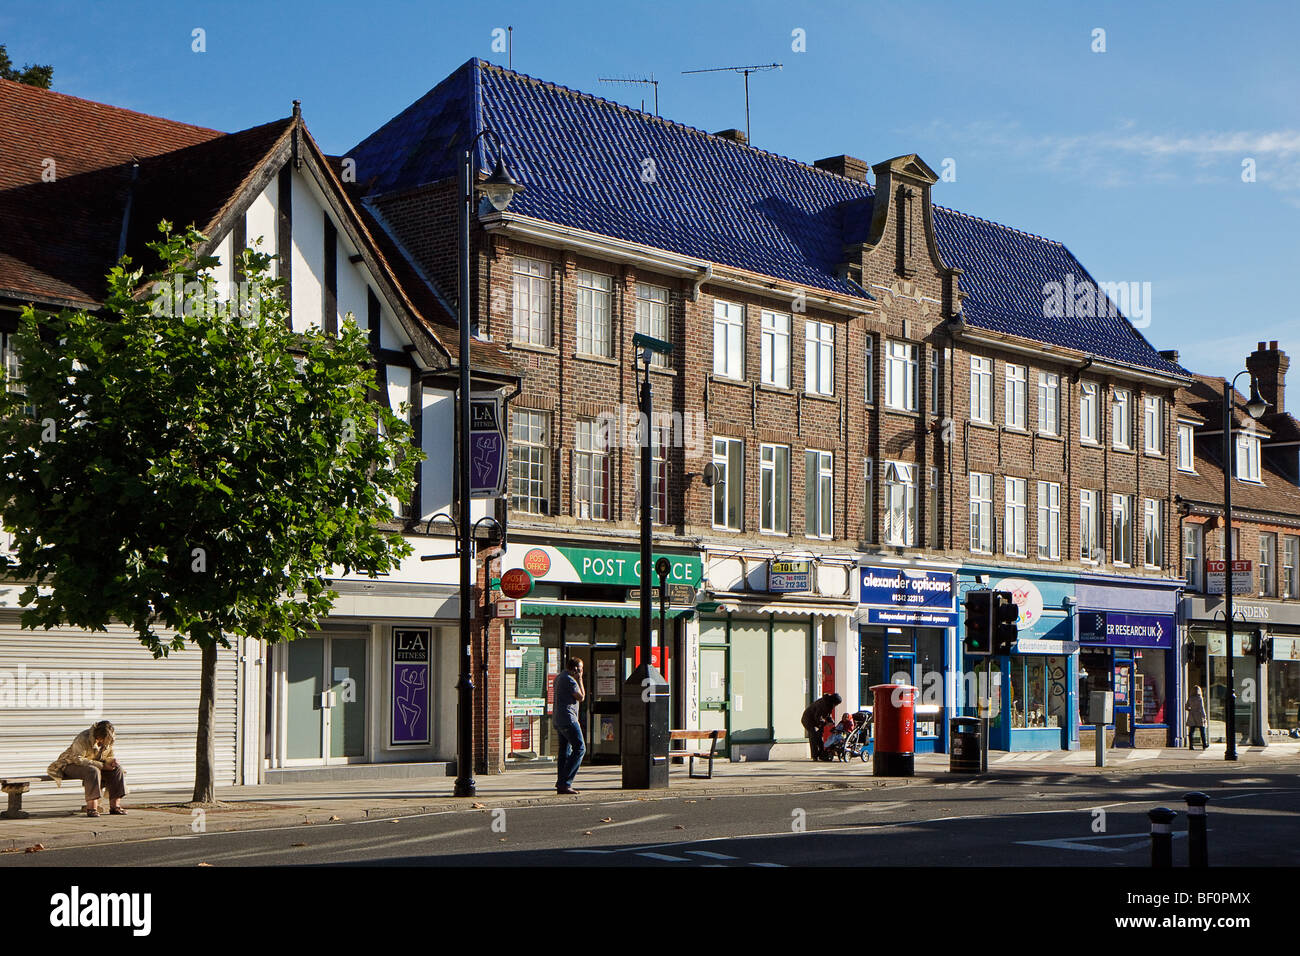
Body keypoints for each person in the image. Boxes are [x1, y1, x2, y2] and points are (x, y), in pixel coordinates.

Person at [48, 720, 127, 817]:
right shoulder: (83, 738)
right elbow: (78, 759)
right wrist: (102, 766)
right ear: (99, 737)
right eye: (103, 740)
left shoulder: (109, 739)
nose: (106, 743)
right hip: (69, 764)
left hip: (93, 764)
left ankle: (115, 806)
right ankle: (92, 808)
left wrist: (111, 762)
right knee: (93, 771)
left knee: (117, 769)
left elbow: (109, 755)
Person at [553, 658, 586, 794]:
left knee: (564, 752)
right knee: (580, 748)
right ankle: (565, 782)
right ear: (576, 669)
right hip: (568, 719)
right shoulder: (571, 680)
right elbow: (581, 697)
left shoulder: (559, 677)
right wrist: (580, 679)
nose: (582, 671)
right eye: (581, 668)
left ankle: (561, 783)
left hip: (558, 719)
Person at [801, 692, 842, 761]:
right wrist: (825, 723)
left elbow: (827, 714)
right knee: (814, 736)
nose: (836, 705)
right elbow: (818, 717)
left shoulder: (829, 703)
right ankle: (815, 756)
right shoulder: (823, 704)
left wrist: (830, 720)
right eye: (836, 704)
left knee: (820, 736)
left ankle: (822, 754)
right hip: (808, 719)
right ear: (834, 701)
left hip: (815, 720)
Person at [1186, 685, 1209, 750]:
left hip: (1192, 715)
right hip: (1199, 715)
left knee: (1191, 731)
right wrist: (1204, 716)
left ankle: (1191, 745)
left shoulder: (1190, 698)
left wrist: (1190, 709)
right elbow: (1202, 708)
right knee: (1202, 730)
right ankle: (1204, 744)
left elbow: (1186, 707)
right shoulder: (1199, 698)